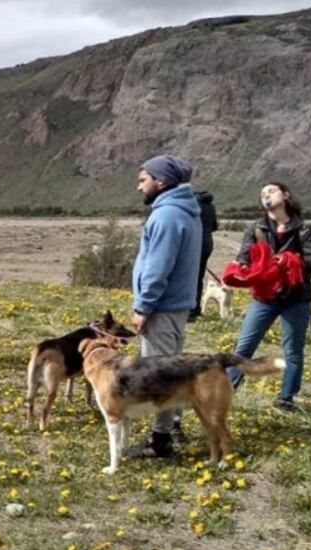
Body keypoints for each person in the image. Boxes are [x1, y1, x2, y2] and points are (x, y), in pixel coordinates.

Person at [226, 182, 311, 413]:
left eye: (271, 191)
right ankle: (226, 391)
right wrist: (239, 269)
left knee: (293, 350)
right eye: (262, 194)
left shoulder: (305, 230)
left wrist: (294, 260)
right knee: (243, 347)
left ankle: (286, 399)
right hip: (264, 298)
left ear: (286, 196)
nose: (266, 196)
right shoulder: (256, 229)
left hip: (296, 298)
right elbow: (244, 257)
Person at [126, 155, 202, 459]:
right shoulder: (184, 211)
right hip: (175, 306)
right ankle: (171, 427)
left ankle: (160, 441)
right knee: (169, 369)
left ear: (162, 181)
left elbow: (158, 268)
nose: (139, 186)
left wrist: (143, 306)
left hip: (162, 308)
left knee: (159, 375)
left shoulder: (167, 215)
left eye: (144, 179)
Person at [188, 190, 218, 321]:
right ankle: (195, 309)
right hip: (207, 245)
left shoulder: (191, 204)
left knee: (188, 278)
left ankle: (189, 311)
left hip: (193, 245)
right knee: (198, 278)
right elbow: (214, 226)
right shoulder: (210, 205)